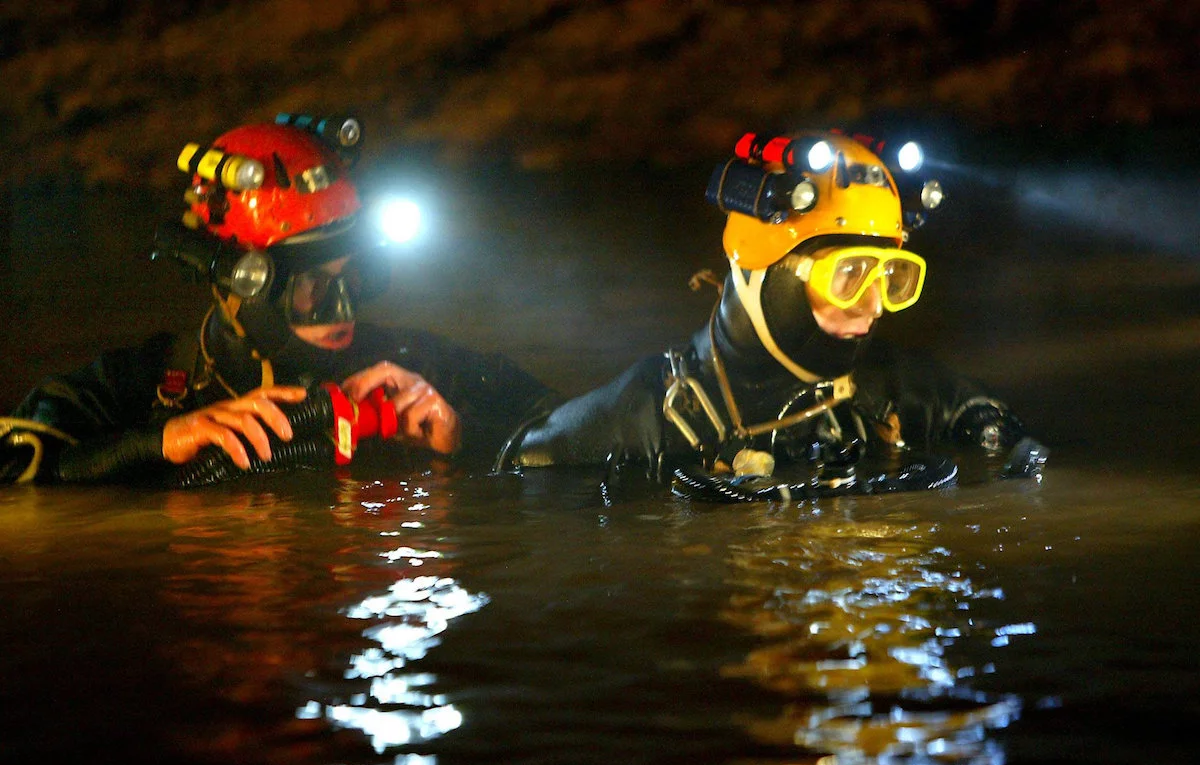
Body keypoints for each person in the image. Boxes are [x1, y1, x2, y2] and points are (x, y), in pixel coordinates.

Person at [1, 115, 559, 485]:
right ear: (240, 284)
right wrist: (154, 443)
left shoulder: (416, 368)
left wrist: (468, 438)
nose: (341, 309)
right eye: (310, 289)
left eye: (356, 278)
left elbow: (579, 430)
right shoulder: (145, 383)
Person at [497, 131, 1046, 501]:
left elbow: (999, 433)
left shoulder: (892, 389)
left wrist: (1009, 447)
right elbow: (530, 471)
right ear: (763, 270)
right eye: (850, 274)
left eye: (893, 277)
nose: (874, 304)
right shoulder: (647, 417)